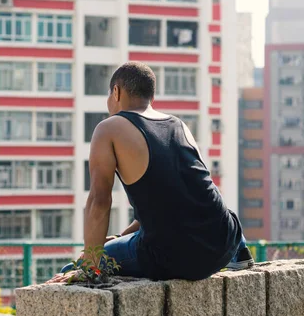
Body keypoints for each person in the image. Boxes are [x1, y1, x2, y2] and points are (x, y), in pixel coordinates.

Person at [47, 62, 253, 283]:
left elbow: (99, 200)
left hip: (170, 256)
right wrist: (122, 238)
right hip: (224, 241)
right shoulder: (180, 126)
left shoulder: (109, 128)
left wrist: (89, 265)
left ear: (116, 92)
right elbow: (187, 195)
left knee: (75, 266)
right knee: (211, 201)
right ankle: (239, 254)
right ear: (150, 97)